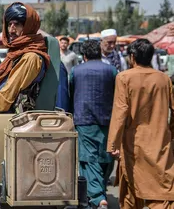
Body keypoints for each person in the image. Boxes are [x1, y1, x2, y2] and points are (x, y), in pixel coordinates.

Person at [107, 39, 174, 209]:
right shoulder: (164, 79)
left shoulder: (124, 78)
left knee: (131, 189)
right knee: (161, 191)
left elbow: (120, 112)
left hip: (133, 143)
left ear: (132, 57)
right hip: (160, 142)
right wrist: (170, 132)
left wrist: (113, 143)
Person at [70, 40, 117, 209]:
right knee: (105, 157)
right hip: (107, 120)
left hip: (84, 119)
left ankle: (97, 198)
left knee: (88, 159)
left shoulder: (76, 71)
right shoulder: (111, 70)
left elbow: (71, 93)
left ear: (84, 56)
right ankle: (98, 191)